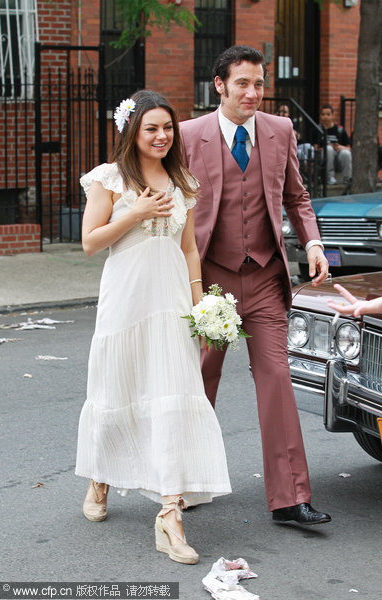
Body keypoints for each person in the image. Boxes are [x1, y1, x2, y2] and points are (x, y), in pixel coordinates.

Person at [75, 89, 231, 565]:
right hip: (125, 302)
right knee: (116, 389)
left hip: (170, 305)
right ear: (132, 131)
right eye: (152, 128)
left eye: (168, 128)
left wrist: (200, 304)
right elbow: (89, 242)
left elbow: (188, 249)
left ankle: (169, 514)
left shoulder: (183, 181)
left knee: (172, 396)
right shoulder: (110, 179)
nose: (162, 136)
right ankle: (101, 476)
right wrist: (137, 213)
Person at [180, 45, 331, 525]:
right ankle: (185, 481)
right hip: (212, 281)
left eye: (259, 83)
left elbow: (297, 196)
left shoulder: (280, 130)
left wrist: (312, 245)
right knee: (202, 379)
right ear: (219, 85)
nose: (253, 92)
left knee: (277, 379)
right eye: (242, 83)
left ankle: (290, 498)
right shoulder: (188, 135)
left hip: (265, 276)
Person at [316, 104, 352, 185]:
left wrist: (340, 147)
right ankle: (329, 177)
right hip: (324, 158)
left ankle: (347, 178)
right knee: (328, 149)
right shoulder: (317, 129)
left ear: (332, 115)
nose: (325, 117)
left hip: (338, 157)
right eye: (323, 114)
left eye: (328, 114)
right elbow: (314, 148)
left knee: (346, 153)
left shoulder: (340, 130)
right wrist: (326, 147)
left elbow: (349, 147)